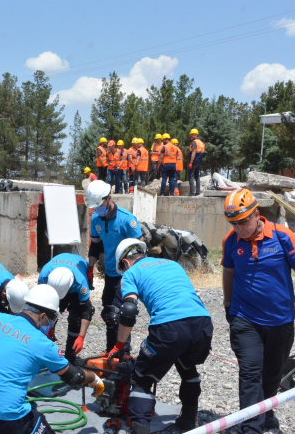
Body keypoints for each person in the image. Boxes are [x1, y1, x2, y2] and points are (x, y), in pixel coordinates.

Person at [0, 285, 104, 434]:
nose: (49, 325)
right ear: (43, 316)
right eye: (50, 321)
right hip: (5, 418)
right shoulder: (42, 344)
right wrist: (94, 378)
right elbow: (74, 377)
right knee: (39, 425)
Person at [221, 188, 295, 433]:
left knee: (272, 374)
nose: (237, 228)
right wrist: (228, 304)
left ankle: (266, 412)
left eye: (242, 222)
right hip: (245, 319)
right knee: (250, 371)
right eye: (232, 223)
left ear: (256, 215)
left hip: (280, 320)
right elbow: (228, 272)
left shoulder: (283, 236)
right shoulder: (231, 240)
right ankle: (251, 427)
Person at [107, 239, 213, 434]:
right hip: (202, 323)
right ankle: (188, 422)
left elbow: (129, 310)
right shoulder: (172, 264)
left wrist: (120, 344)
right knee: (187, 368)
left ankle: (139, 430)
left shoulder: (131, 273)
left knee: (142, 380)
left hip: (170, 327)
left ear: (125, 262)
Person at [85, 180, 143, 351]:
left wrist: (135, 276)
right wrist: (90, 268)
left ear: (109, 198)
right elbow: (95, 245)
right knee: (109, 314)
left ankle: (123, 353)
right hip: (110, 273)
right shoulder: (96, 218)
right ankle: (111, 349)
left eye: (100, 205)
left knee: (121, 313)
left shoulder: (127, 220)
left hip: (126, 275)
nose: (97, 210)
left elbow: (139, 249)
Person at [37, 253, 94, 364]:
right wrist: (47, 325)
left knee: (75, 319)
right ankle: (41, 353)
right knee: (49, 313)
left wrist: (81, 336)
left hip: (75, 284)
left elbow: (86, 310)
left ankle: (70, 357)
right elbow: (39, 305)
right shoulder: (44, 275)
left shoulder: (81, 283)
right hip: (54, 287)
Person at [188, 129, 205, 196]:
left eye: (191, 134)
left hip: (194, 161)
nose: (191, 136)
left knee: (191, 176)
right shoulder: (201, 143)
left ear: (195, 134)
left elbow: (194, 152)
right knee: (197, 176)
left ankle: (192, 192)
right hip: (199, 162)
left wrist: (191, 162)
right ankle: (197, 192)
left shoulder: (194, 142)